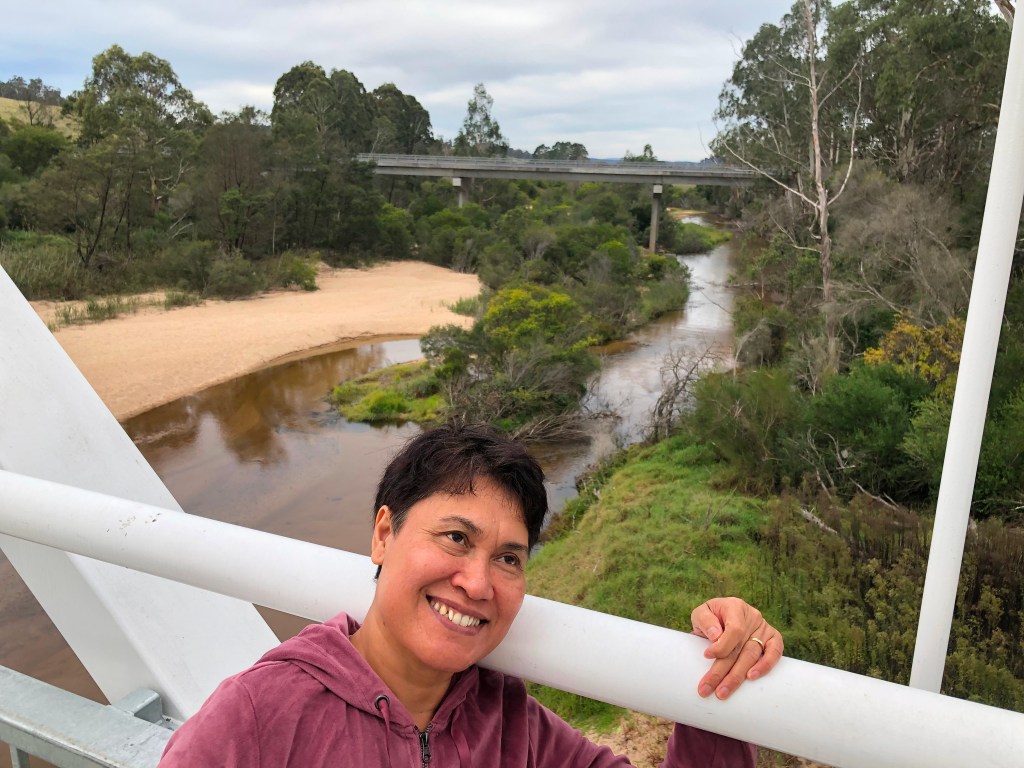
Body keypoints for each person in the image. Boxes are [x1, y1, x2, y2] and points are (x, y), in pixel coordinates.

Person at [160, 423, 783, 766]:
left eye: (508, 558)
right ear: (384, 534)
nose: (479, 583)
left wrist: (721, 665)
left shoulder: (516, 730)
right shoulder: (260, 719)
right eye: (456, 537)